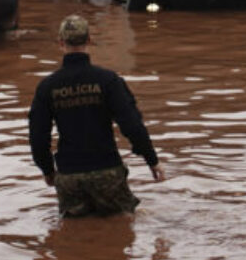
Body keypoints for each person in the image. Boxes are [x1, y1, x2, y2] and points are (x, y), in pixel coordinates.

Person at [28, 14, 164, 217]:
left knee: (72, 236)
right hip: (107, 171)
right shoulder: (108, 80)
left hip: (69, 176)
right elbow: (132, 125)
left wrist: (47, 171)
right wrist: (152, 160)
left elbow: (38, 136)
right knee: (123, 227)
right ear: (89, 40)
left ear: (60, 43)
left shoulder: (47, 87)